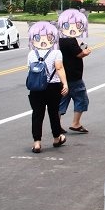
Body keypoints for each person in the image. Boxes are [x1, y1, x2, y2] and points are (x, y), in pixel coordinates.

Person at [27, 21, 69, 153]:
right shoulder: (56, 52)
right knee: (53, 113)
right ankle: (56, 138)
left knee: (37, 114)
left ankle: (37, 143)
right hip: (53, 86)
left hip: (35, 88)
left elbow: (30, 69)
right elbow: (59, 67)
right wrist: (65, 83)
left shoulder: (31, 53)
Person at [57, 8, 92, 134]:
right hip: (73, 75)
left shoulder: (58, 37)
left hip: (61, 75)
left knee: (62, 100)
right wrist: (86, 52)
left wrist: (83, 46)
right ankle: (76, 123)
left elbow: (79, 45)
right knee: (82, 99)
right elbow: (79, 54)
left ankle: (57, 125)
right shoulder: (69, 39)